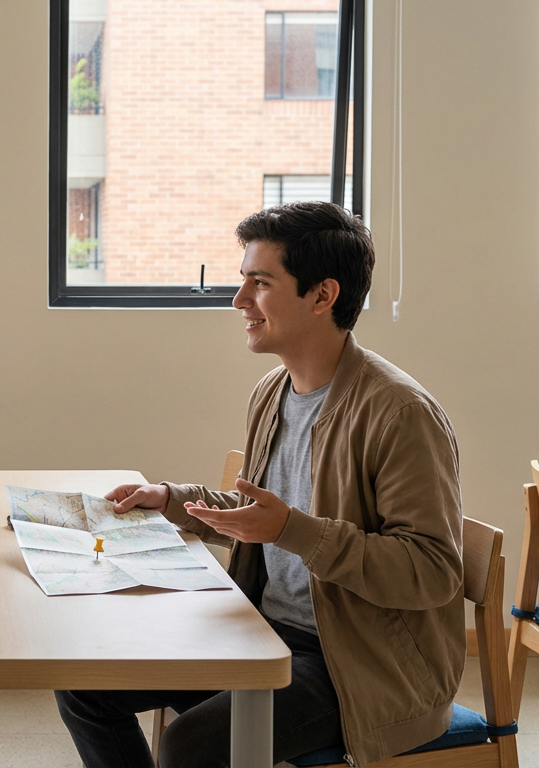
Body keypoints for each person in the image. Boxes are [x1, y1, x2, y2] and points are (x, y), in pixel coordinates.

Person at [55, 201, 464, 768]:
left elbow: (432, 571)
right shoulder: (274, 390)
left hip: (358, 665)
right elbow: (260, 510)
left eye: (260, 282)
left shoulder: (400, 413)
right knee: (84, 686)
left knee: (190, 746)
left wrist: (294, 532)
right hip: (264, 629)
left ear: (323, 296)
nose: (239, 300)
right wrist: (172, 500)